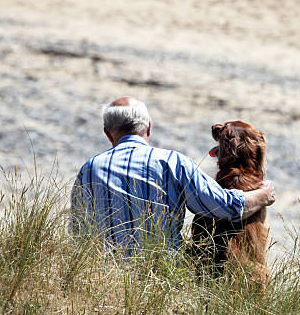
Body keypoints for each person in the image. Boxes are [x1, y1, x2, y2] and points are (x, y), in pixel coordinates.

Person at [71, 96, 275, 249]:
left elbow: (78, 231)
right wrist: (263, 195)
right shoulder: (173, 162)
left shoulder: (89, 169)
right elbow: (223, 207)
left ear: (107, 133)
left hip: (103, 278)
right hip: (162, 278)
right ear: (148, 128)